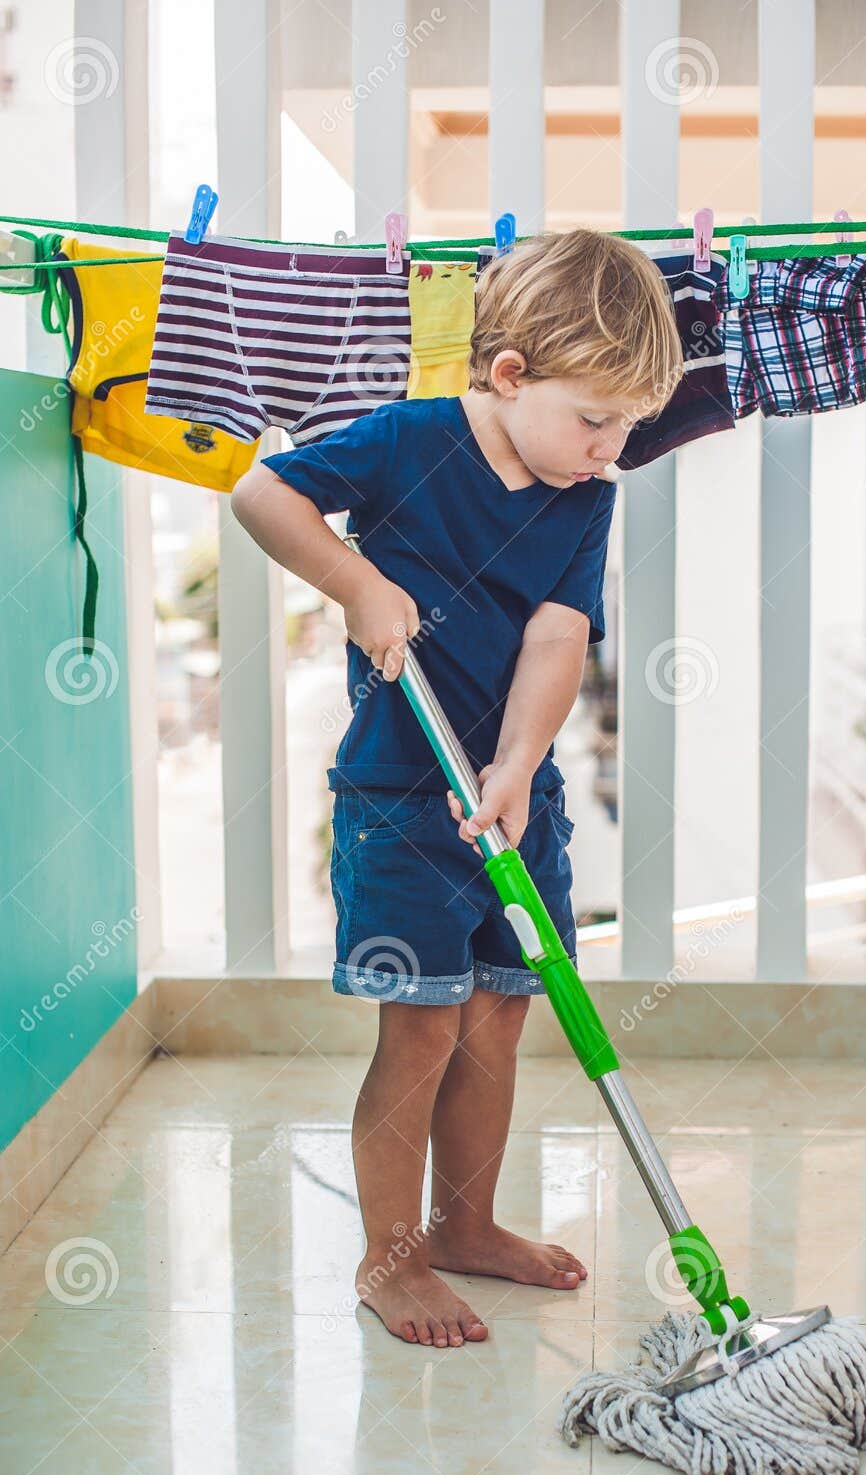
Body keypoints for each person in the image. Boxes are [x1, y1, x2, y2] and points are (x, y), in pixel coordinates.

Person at [232, 229, 682, 1348]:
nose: (611, 446)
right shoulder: (410, 440)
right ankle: (391, 1262)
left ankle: (467, 1223)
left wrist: (521, 762)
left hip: (514, 802)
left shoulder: (586, 497)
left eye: (630, 424)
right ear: (512, 375)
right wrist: (357, 582)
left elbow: (559, 633)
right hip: (400, 796)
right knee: (422, 1032)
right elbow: (260, 494)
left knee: (497, 1017)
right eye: (596, 418)